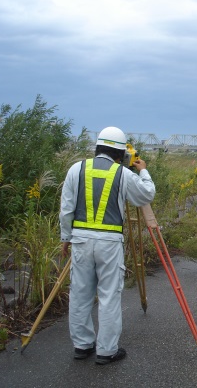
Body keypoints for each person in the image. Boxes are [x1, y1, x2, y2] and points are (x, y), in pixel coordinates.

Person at [59, 126, 155, 365]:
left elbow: (66, 208)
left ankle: (82, 345)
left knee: (80, 295)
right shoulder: (122, 174)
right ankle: (106, 350)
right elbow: (145, 195)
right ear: (121, 154)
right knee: (109, 296)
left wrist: (65, 238)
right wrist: (143, 172)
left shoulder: (76, 169)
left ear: (98, 148)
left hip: (80, 240)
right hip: (109, 243)